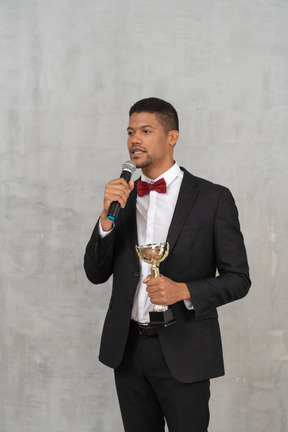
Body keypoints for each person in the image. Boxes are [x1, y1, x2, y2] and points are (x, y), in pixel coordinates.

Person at [84, 97, 251, 432]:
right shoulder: (122, 198)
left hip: (185, 348)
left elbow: (238, 278)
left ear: (172, 137)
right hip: (128, 350)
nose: (135, 139)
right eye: (130, 131)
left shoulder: (213, 198)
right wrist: (106, 221)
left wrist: (183, 290)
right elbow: (95, 272)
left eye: (146, 130)